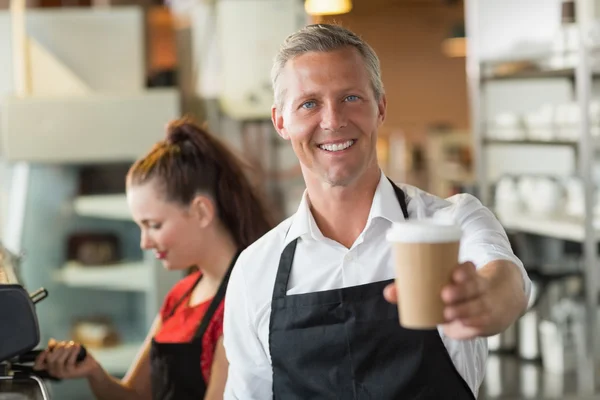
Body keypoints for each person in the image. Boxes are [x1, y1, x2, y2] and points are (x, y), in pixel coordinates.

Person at [222, 23, 532, 399]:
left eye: (351, 98)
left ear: (380, 108)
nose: (333, 120)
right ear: (281, 121)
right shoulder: (256, 269)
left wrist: (484, 298)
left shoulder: (449, 223)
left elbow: (508, 280)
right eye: (309, 103)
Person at [34, 118, 273, 400]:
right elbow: (135, 394)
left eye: (154, 225)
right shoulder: (182, 294)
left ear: (201, 212)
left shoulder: (244, 301)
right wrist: (93, 371)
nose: (145, 242)